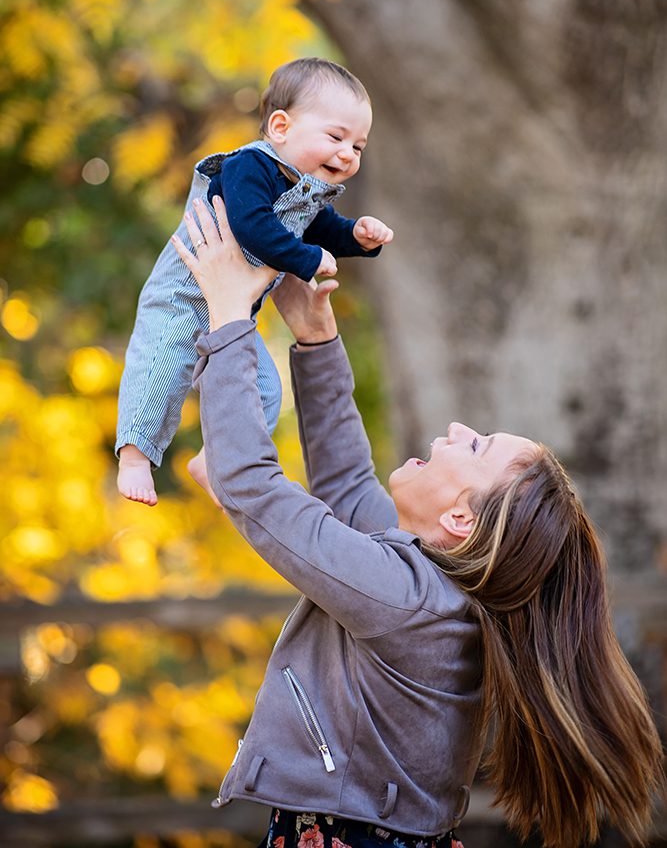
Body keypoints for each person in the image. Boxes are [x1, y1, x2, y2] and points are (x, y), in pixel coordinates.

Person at [172, 197, 663, 848]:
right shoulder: (427, 588)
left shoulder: (407, 600)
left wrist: (229, 312)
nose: (456, 429)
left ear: (460, 518)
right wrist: (315, 339)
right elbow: (346, 486)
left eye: (476, 445)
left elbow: (250, 485)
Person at [116, 57, 393, 505]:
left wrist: (359, 237)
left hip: (232, 315)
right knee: (162, 367)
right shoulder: (250, 167)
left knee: (265, 391)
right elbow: (251, 226)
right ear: (281, 127)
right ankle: (134, 457)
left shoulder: (305, 189)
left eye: (359, 147)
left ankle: (214, 460)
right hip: (184, 298)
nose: (347, 154)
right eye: (336, 137)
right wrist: (306, 258)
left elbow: (325, 229)